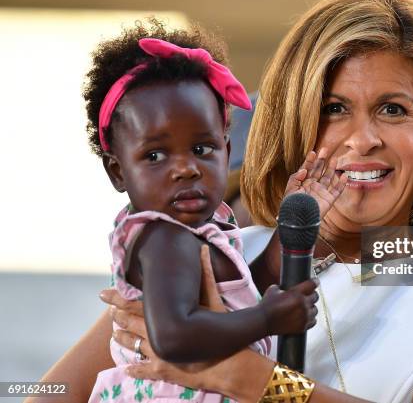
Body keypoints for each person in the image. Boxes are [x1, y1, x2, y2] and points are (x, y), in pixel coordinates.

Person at [30, 0, 413, 403]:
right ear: (293, 122)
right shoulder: (215, 252)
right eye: (333, 109)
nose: (362, 139)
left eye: (393, 110)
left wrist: (248, 378)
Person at [77, 20, 331, 403]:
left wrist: (281, 250)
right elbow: (175, 336)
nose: (186, 168)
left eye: (201, 149)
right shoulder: (164, 237)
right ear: (118, 172)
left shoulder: (202, 232)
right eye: (156, 155)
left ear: (227, 152)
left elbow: (234, 291)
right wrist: (269, 319)